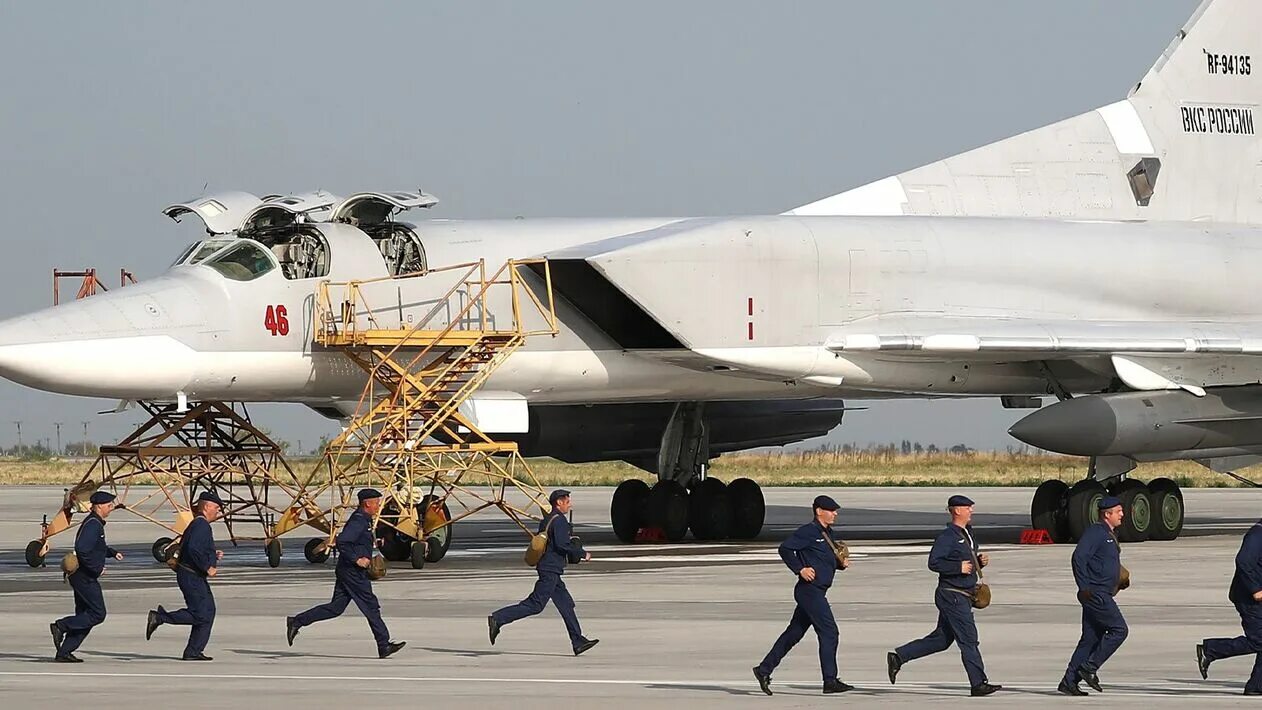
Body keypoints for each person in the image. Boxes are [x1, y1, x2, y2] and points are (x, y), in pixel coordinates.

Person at [887, 494, 1001, 696]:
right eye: (967, 507)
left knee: (942, 640)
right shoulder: (947, 537)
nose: (971, 510)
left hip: (963, 593)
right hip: (953, 595)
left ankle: (899, 657)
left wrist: (978, 562)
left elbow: (966, 560)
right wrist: (958, 567)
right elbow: (934, 563)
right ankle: (978, 683)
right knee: (968, 639)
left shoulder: (968, 533)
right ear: (956, 510)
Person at [286, 488, 406, 659]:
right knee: (371, 606)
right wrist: (357, 559)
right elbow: (343, 541)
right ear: (367, 503)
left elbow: (354, 540)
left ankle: (297, 621)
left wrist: (375, 542)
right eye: (377, 503)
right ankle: (383, 644)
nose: (379, 506)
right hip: (353, 571)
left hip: (347, 570)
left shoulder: (365, 520)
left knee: (336, 608)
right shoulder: (359, 521)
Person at [753, 495, 853, 696]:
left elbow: (823, 559)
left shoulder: (827, 533)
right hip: (810, 592)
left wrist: (840, 564)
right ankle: (830, 680)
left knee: (794, 633)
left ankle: (764, 670)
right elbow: (785, 549)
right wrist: (800, 569)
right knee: (829, 632)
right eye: (831, 510)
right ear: (819, 511)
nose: (835, 513)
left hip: (817, 591)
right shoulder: (808, 531)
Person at [488, 489, 598, 655]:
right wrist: (582, 553)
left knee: (566, 604)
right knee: (535, 605)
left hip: (549, 568)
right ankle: (498, 618)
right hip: (550, 570)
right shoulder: (559, 521)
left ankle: (578, 641)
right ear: (558, 502)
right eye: (567, 501)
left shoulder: (548, 519)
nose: (570, 504)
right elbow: (562, 545)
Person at [1060, 495, 1129, 696]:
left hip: (1102, 591)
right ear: (1107, 514)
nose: (1122, 515)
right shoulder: (1096, 532)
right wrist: (1084, 586)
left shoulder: (1109, 533)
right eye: (1118, 512)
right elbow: (1078, 557)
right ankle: (1090, 667)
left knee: (1090, 639)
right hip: (1096, 593)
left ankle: (1069, 681)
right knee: (1119, 630)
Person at [146, 490, 224, 660]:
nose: (218, 512)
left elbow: (192, 547)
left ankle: (193, 651)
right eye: (216, 508)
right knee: (201, 614)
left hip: (191, 575)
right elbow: (193, 549)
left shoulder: (198, 524)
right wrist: (207, 566)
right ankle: (160, 618)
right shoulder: (201, 525)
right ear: (207, 506)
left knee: (207, 612)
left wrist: (212, 554)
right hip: (192, 576)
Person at [49, 490, 123, 662]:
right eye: (108, 505)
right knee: (97, 614)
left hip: (83, 575)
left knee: (84, 616)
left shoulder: (96, 523)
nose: (111, 508)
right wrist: (97, 568)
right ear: (98, 506)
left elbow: (97, 546)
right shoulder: (93, 524)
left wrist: (112, 553)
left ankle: (64, 652)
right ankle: (61, 625)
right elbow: (82, 549)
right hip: (84, 576)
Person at [1198, 519, 1262, 695]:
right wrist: (1256, 589)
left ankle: (1257, 686)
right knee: (1258, 640)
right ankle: (1211, 649)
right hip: (1249, 597)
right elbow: (1243, 561)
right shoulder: (1257, 534)